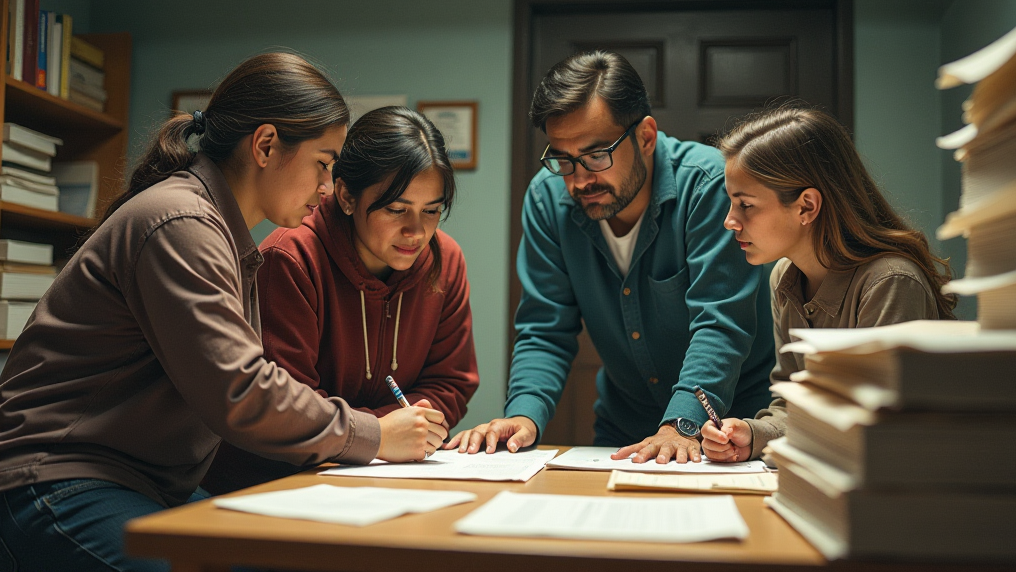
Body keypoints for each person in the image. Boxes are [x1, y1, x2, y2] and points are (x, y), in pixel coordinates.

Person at [0, 53, 446, 572]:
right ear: (265, 145)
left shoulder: (216, 230)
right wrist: (373, 434)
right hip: (51, 479)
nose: (328, 188)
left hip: (137, 483)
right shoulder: (182, 222)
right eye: (323, 164)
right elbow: (240, 391)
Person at [447, 50, 775, 463]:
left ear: (646, 137)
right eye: (562, 159)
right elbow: (545, 328)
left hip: (730, 427)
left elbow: (721, 323)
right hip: (625, 428)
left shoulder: (710, 185)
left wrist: (681, 424)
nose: (580, 179)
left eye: (596, 155)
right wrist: (524, 415)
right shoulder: (548, 199)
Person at [203, 106, 479, 493]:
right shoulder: (291, 258)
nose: (416, 231)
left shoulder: (444, 260)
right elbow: (288, 403)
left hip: (388, 477)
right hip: (275, 483)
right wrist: (381, 434)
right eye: (397, 209)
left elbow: (449, 381)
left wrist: (403, 433)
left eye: (431, 211)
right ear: (347, 195)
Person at [701, 106, 957, 463]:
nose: (730, 221)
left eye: (746, 205)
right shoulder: (784, 278)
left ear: (806, 206)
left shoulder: (890, 283)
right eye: (731, 203)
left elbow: (878, 428)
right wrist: (753, 435)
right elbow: (793, 406)